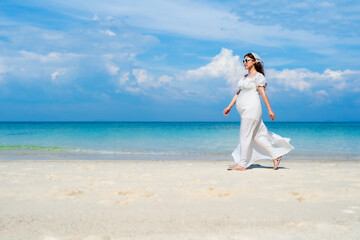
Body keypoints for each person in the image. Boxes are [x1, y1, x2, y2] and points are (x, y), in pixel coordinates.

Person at [223, 52, 294, 171]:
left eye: (247, 60)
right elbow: (238, 93)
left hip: (252, 110)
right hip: (244, 111)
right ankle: (276, 155)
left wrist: (270, 110)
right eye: (243, 61)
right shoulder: (244, 77)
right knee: (257, 137)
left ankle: (242, 164)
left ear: (254, 61)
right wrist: (229, 106)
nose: (244, 63)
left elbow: (262, 93)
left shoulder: (258, 77)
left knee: (244, 136)